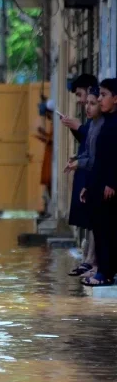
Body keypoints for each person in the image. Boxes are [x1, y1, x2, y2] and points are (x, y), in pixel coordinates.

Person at [80, 79, 117, 287]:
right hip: (97, 184)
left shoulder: (114, 123)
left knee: (106, 231)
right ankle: (103, 270)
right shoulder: (106, 122)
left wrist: (112, 182)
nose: (100, 99)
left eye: (103, 95)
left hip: (107, 187)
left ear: (116, 98)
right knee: (100, 229)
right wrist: (88, 185)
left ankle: (105, 273)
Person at [64, 84, 102, 278]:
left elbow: (102, 158)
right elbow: (89, 153)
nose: (86, 106)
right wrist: (77, 161)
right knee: (94, 222)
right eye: (86, 102)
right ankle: (91, 262)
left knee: (101, 225)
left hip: (104, 182)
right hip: (94, 180)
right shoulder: (94, 125)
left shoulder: (105, 125)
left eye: (92, 102)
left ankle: (98, 266)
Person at [34, 99, 55, 217]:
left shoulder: (55, 123)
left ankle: (51, 208)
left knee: (49, 180)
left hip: (51, 157)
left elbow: (53, 140)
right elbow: (50, 139)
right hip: (49, 157)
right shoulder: (53, 123)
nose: (47, 117)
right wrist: (43, 135)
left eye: (47, 114)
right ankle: (49, 207)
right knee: (47, 182)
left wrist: (43, 136)